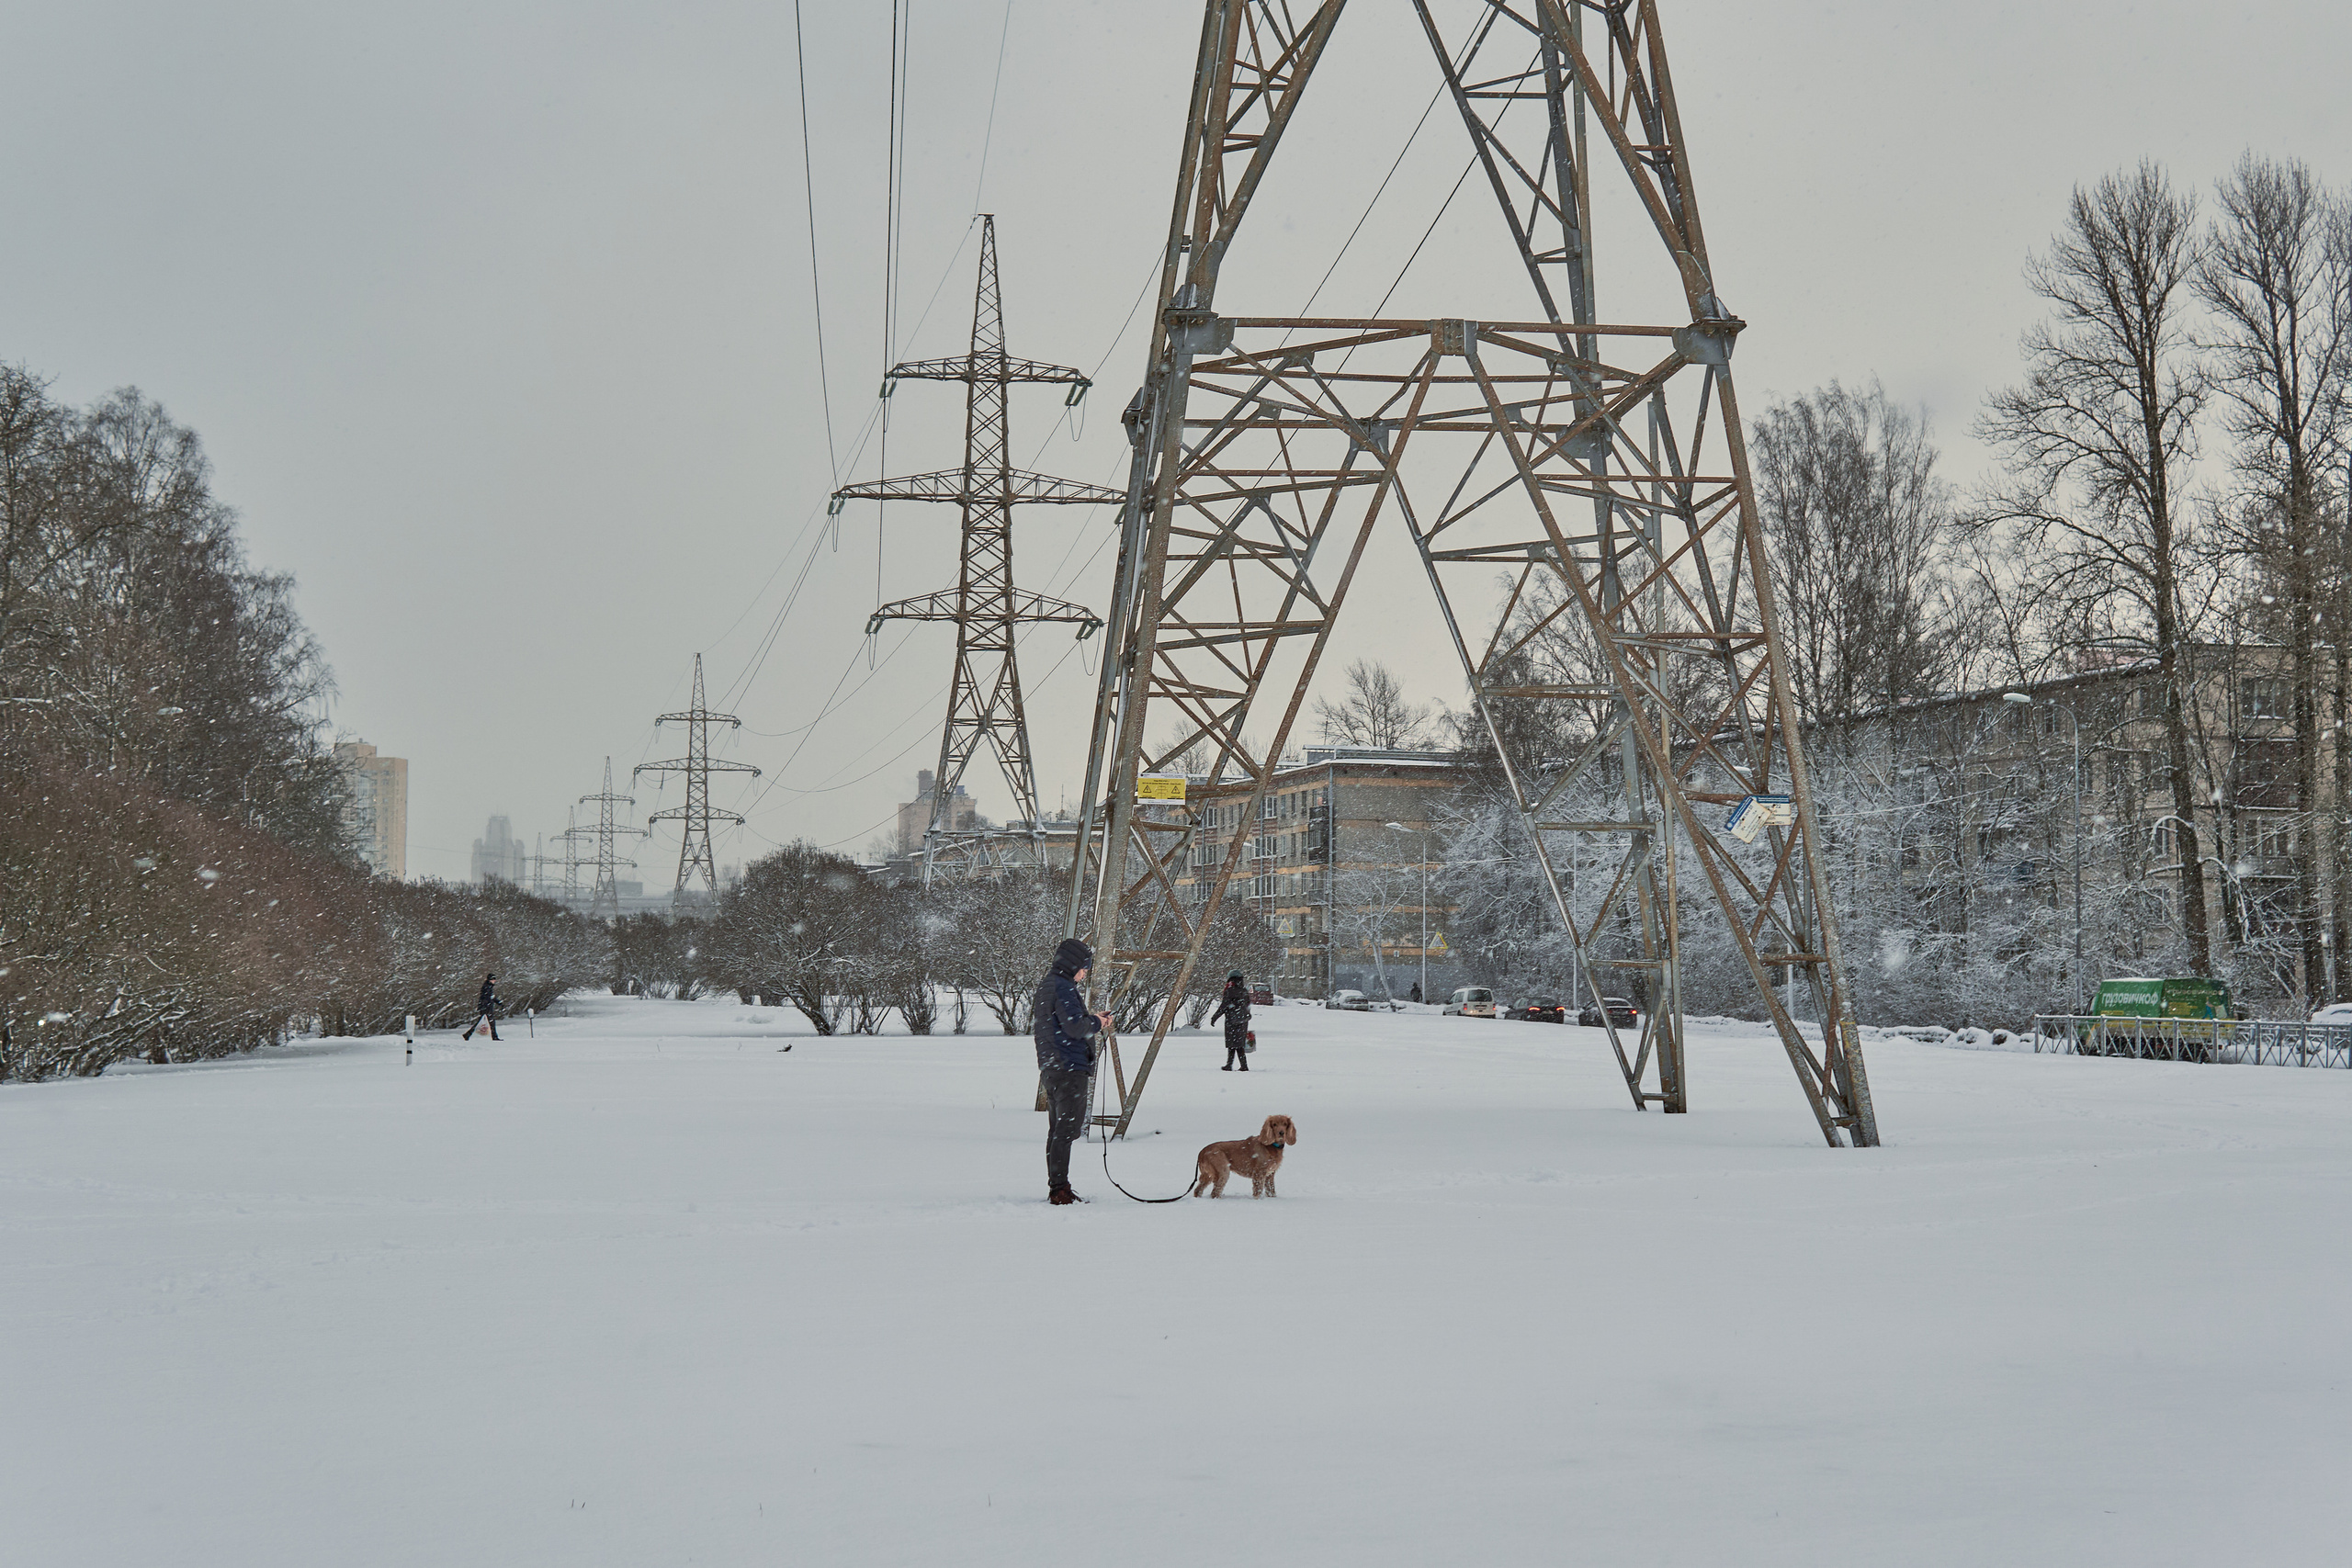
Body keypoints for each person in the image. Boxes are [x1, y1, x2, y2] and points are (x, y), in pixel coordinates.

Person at [1033, 937, 1111, 1205]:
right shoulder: (1063, 988)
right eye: (1084, 967)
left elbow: (1065, 1023)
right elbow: (1075, 1028)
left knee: (1058, 1131)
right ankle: (1060, 1190)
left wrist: (1092, 1020)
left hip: (1053, 1067)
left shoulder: (1050, 985)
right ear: (1071, 965)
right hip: (1068, 1068)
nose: (1085, 972)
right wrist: (1098, 1022)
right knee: (1066, 1132)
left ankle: (1058, 1186)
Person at [1209, 969, 1251, 1071]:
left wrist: (1214, 1017)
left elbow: (1224, 1006)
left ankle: (1235, 1065)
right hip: (1243, 1020)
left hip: (1232, 1020)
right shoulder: (1244, 991)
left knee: (1232, 1044)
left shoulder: (1230, 991)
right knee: (1238, 1043)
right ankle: (1236, 1064)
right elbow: (1248, 1004)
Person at [462, 972, 501, 1042]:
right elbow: (488, 997)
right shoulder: (487, 987)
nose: (495, 981)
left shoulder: (488, 986)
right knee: (491, 1022)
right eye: (493, 979)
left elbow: (491, 997)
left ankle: (468, 1034)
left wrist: (498, 1002)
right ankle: (494, 1037)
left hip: (485, 1007)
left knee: (483, 1022)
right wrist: (497, 1003)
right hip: (486, 1007)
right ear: (490, 979)